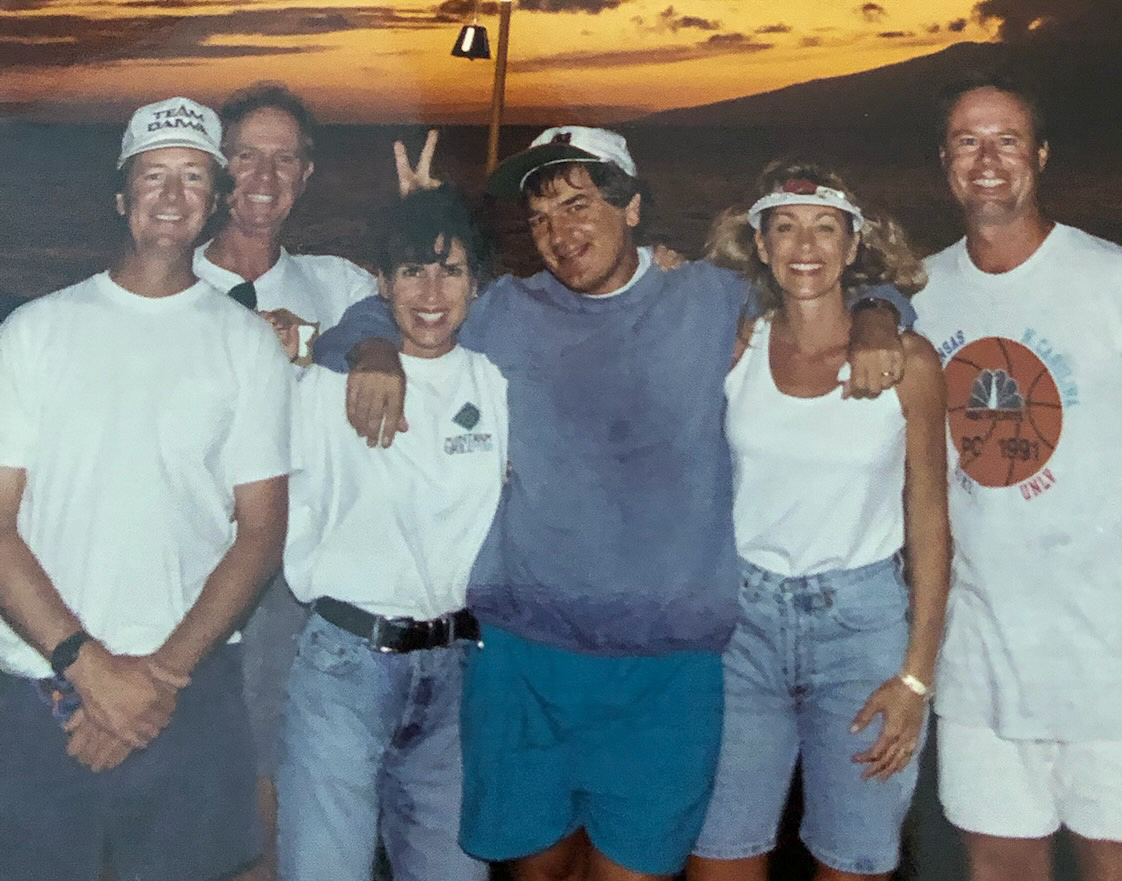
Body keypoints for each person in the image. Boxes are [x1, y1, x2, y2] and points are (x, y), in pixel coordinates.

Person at [312, 126, 912, 881]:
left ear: (631, 208)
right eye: (540, 218)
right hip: (526, 659)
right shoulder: (507, 312)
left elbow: (823, 284)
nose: (560, 233)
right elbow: (400, 315)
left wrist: (881, 313)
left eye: (578, 204)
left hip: (666, 672)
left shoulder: (711, 299)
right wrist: (371, 347)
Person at [912, 73, 1122, 881]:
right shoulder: (919, 292)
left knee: (1120, 868)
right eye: (968, 140)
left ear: (1040, 157)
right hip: (982, 655)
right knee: (998, 865)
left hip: (1121, 657)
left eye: (1007, 139)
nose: (988, 159)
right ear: (944, 161)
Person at [0, 96, 291, 881]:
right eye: (153, 175)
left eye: (193, 175)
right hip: (42, 686)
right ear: (121, 196)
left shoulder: (246, 344)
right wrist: (88, 668)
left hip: (188, 685)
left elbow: (261, 531)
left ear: (214, 200)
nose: (171, 193)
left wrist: (155, 682)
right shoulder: (33, 332)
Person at [689, 162, 951, 881]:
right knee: (720, 855)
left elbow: (930, 522)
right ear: (762, 246)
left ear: (853, 241)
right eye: (785, 226)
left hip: (861, 631)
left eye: (824, 226)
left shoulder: (910, 363)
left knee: (852, 862)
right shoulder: (731, 350)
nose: (805, 245)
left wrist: (917, 677)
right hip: (742, 627)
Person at [277, 187, 501, 881]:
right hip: (344, 665)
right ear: (381, 283)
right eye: (412, 270)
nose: (432, 291)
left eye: (451, 270)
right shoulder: (318, 384)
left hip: (457, 670)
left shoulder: (500, 383)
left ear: (478, 284)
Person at [190, 82, 377, 874]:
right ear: (216, 169)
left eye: (285, 159)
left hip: (283, 586)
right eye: (245, 156)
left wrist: (335, 345)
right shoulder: (163, 283)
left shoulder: (338, 287)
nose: (264, 176)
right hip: (176, 570)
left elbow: (411, 315)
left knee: (268, 784)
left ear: (306, 175)